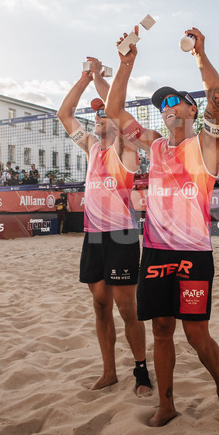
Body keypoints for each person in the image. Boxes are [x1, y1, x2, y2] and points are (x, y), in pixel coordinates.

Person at [106, 26, 219, 427]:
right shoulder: (156, 146)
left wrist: (200, 55)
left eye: (175, 102)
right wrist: (126, 64)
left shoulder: (205, 145)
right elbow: (114, 111)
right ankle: (166, 404)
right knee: (162, 329)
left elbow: (218, 99)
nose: (167, 108)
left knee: (197, 334)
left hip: (194, 255)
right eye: (163, 105)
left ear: (191, 110)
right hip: (157, 253)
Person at [57, 56, 151, 396]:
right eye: (94, 113)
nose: (95, 116)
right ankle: (109, 371)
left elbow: (116, 106)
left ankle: (141, 371)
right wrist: (85, 77)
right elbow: (63, 115)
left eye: (101, 113)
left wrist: (104, 82)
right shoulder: (91, 147)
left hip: (122, 234)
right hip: (93, 235)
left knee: (128, 308)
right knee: (100, 304)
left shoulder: (125, 149)